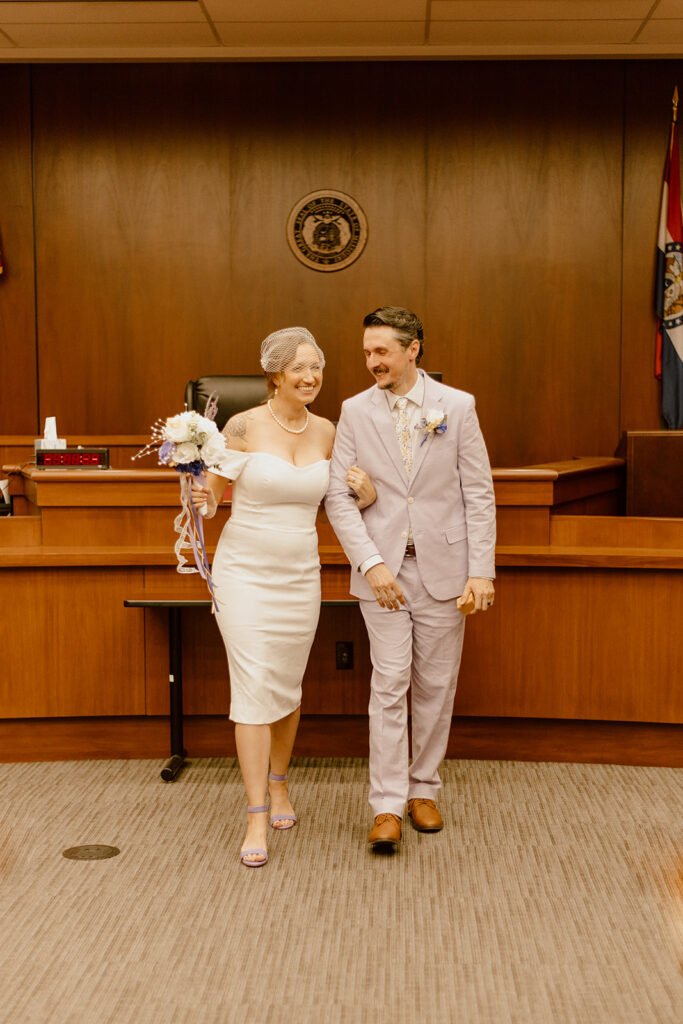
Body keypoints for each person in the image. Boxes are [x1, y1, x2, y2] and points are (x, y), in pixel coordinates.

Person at [192, 327, 375, 867]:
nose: (311, 376)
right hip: (244, 570)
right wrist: (202, 497)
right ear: (275, 374)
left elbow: (346, 496)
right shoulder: (243, 424)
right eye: (299, 367)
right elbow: (214, 496)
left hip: (300, 572)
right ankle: (254, 815)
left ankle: (278, 784)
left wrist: (367, 494)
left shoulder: (328, 431)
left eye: (317, 365)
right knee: (251, 686)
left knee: (287, 683)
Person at [325, 306, 496, 851]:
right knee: (389, 683)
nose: (372, 361)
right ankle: (386, 804)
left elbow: (479, 494)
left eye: (382, 351)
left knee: (436, 685)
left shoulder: (457, 407)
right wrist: (370, 564)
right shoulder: (354, 411)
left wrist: (481, 570)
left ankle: (424, 788)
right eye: (367, 352)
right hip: (384, 575)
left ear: (413, 348)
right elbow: (337, 496)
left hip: (445, 570)